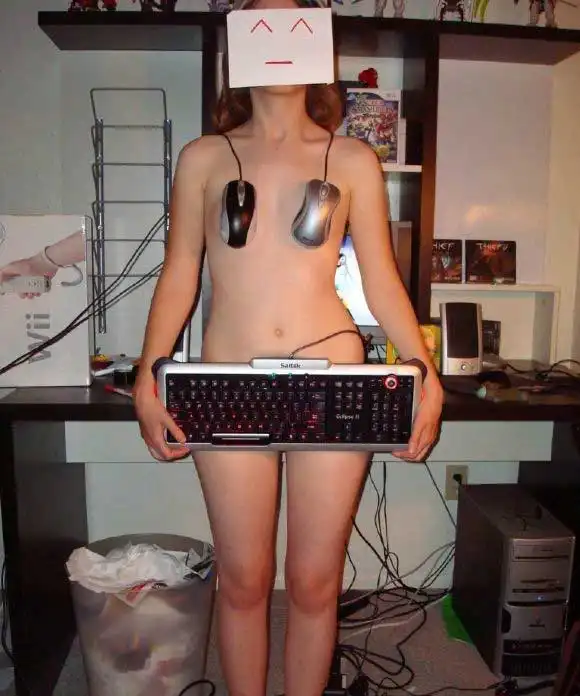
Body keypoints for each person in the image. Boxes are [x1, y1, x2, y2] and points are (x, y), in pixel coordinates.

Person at [133, 0, 444, 694]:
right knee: (244, 580)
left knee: (314, 581)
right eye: (260, 25)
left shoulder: (353, 159)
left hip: (331, 377)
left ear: (319, 48)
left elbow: (381, 280)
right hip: (227, 380)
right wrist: (148, 377)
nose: (278, 41)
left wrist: (424, 373)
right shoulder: (205, 157)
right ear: (239, 47)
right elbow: (180, 269)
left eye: (295, 26)